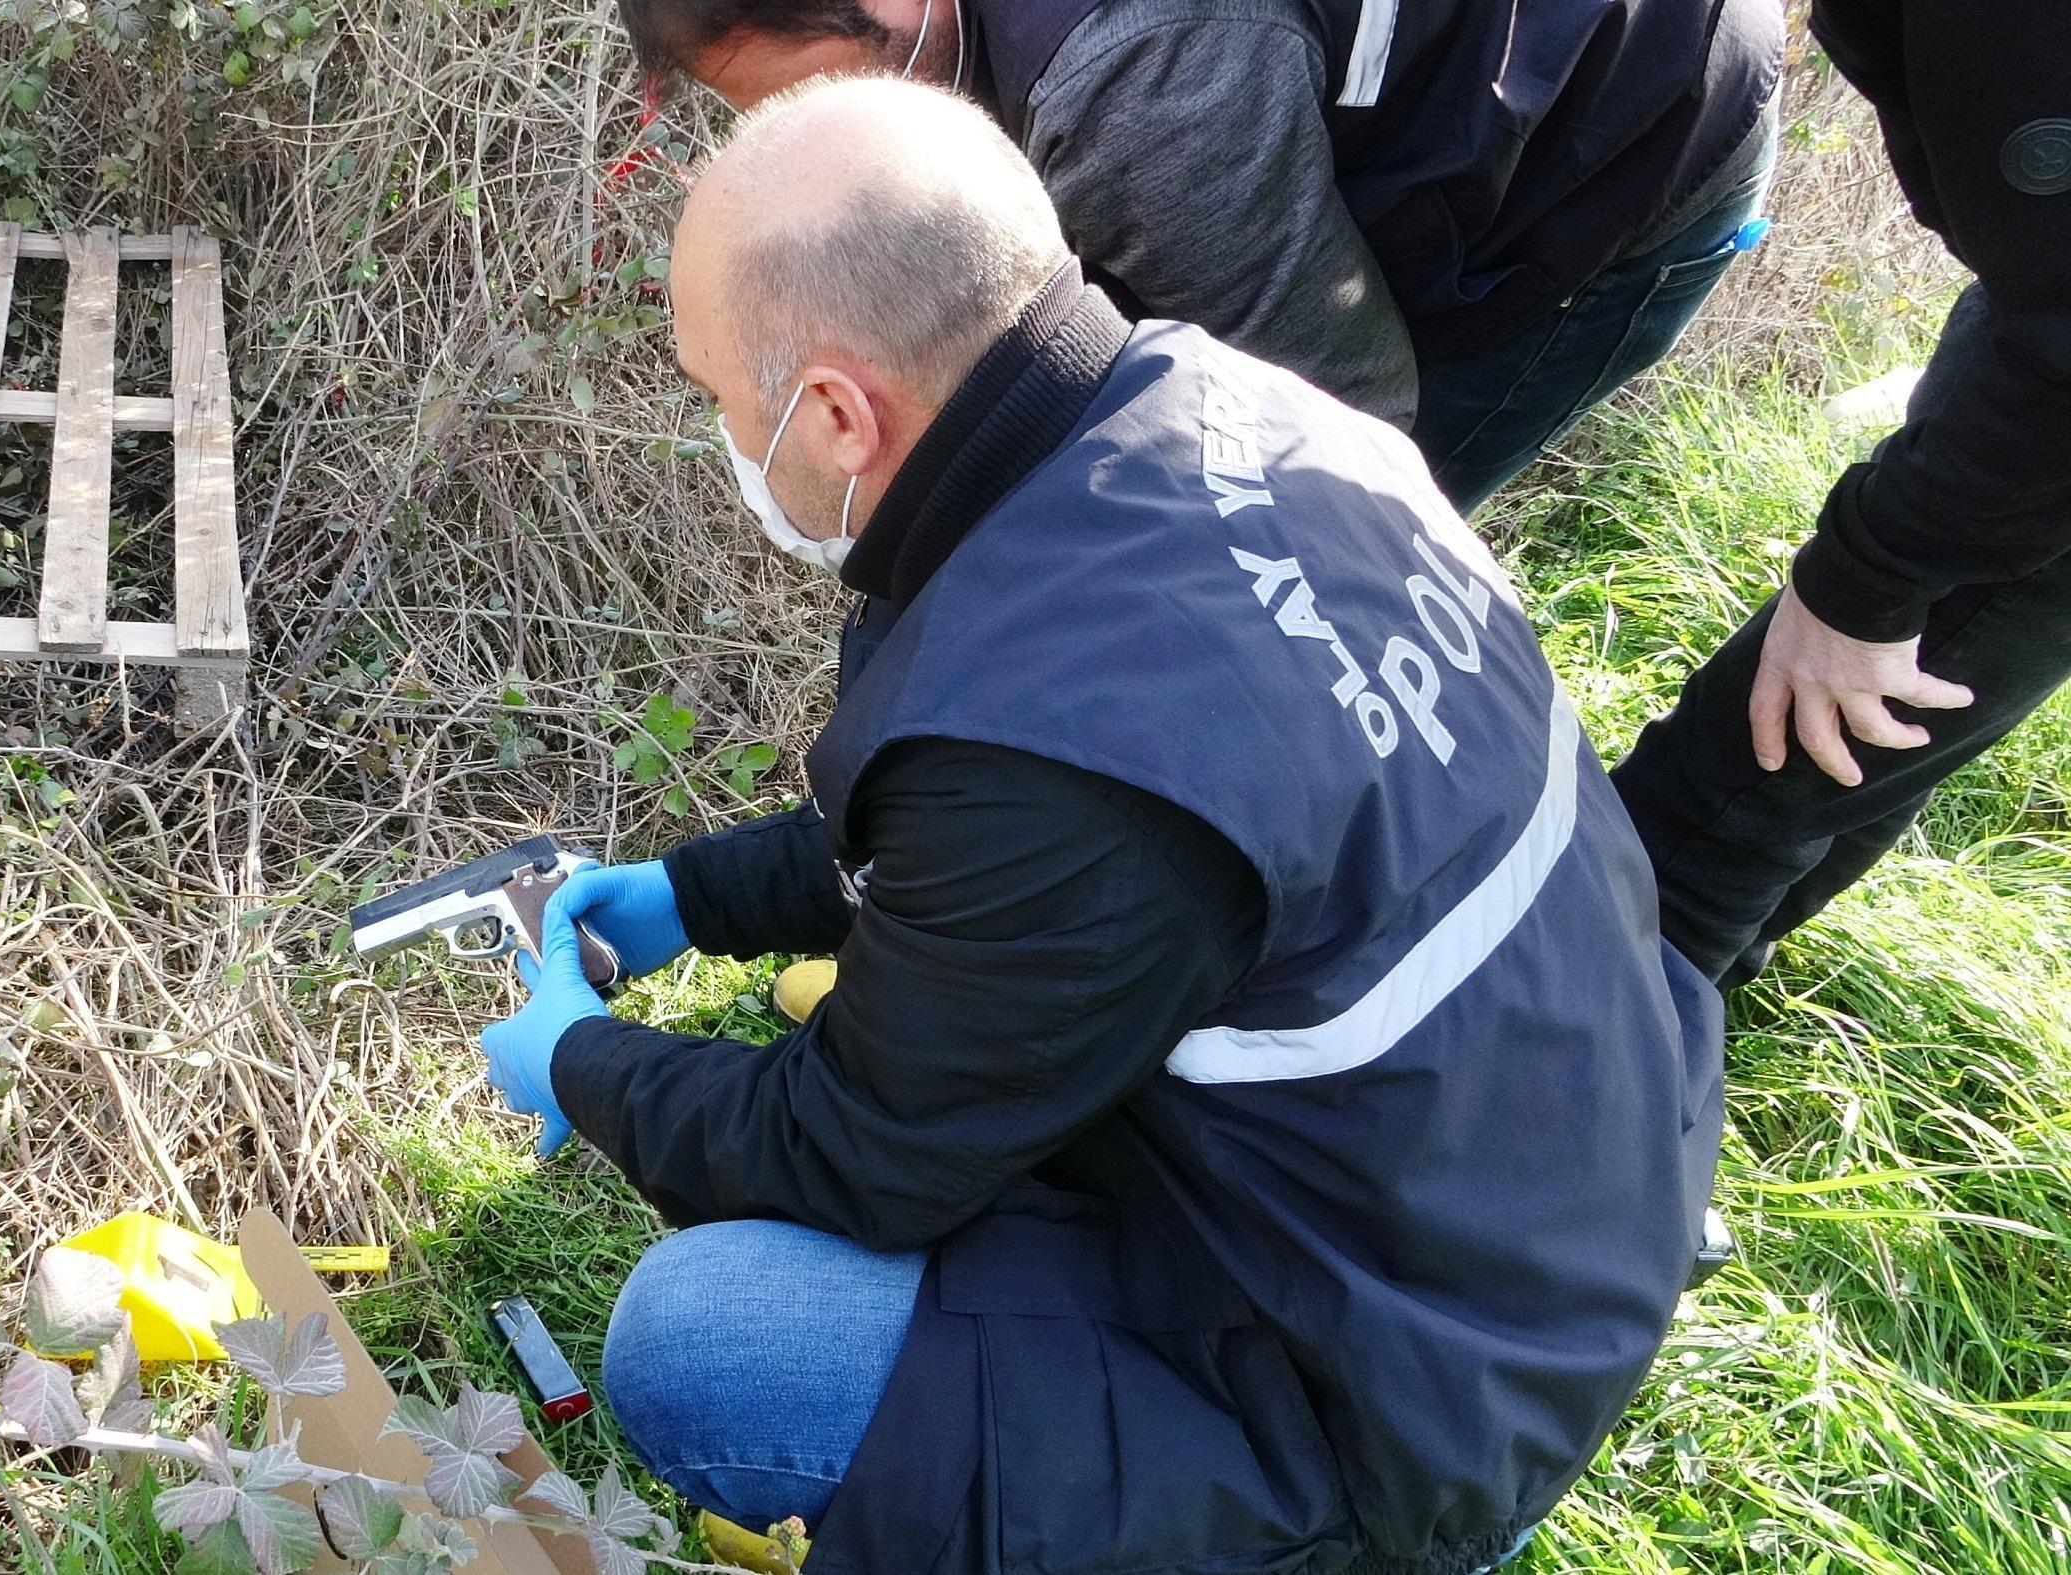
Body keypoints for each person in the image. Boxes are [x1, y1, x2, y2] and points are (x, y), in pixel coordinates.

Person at [480, 77, 1723, 1575]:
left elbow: (853, 1145)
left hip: (1402, 1391)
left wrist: (579, 1059)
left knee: (706, 1336)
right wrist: (698, 893)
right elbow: (994, 851)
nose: (725, 437)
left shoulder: (1054, 771)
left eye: (720, 400)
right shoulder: (1227, 407)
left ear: (832, 413)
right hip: (1532, 1200)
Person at [610, 0, 1784, 513]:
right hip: (1334, 88)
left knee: (1326, 541)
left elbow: (1342, 414)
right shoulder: (1112, 87)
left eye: (843, 92)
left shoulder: (1138, 75)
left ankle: (1295, 887)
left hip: (1625, 129)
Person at [1612, 3, 2071, 988]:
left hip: (2052, 395)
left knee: (1724, 796)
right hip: (2039, 326)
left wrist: (1867, 585)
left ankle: (1553, 1079)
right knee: (1872, 734)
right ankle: (1681, 993)